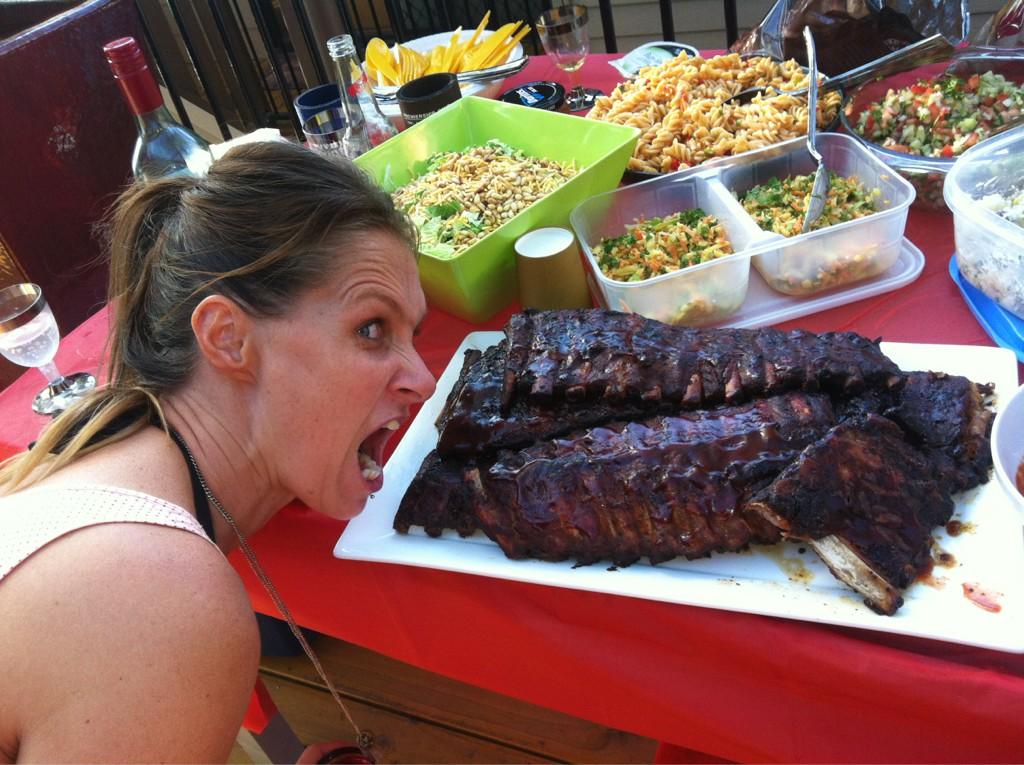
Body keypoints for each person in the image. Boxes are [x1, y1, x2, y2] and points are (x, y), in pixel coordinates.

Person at [0, 140, 435, 763]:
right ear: (227, 338)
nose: (423, 379)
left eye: (412, 334)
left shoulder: (113, 464)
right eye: (371, 329)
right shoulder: (157, 598)